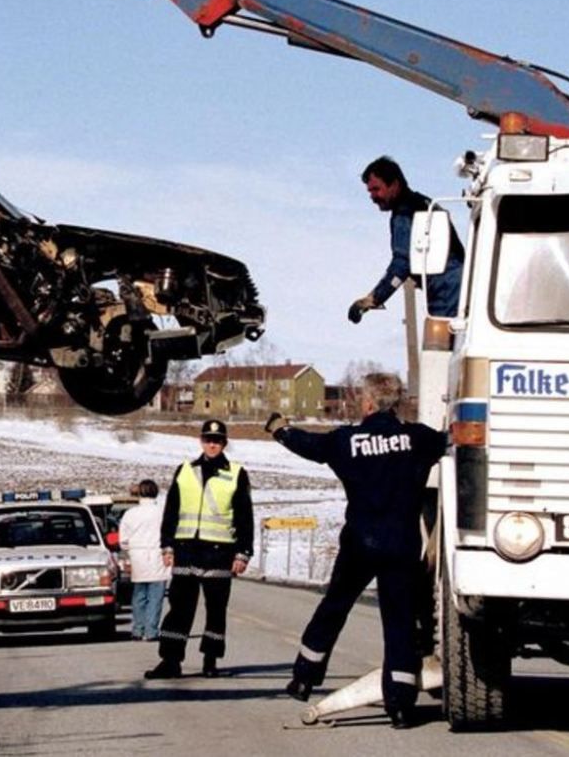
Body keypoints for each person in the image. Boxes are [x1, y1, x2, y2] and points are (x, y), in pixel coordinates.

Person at [265, 372, 446, 729]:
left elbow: (310, 445)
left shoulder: (346, 440)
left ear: (366, 403)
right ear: (397, 403)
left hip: (360, 542)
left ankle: (304, 677)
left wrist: (281, 431)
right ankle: (399, 706)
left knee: (334, 607)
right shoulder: (418, 439)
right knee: (399, 624)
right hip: (401, 544)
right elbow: (454, 441)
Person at [145, 419, 254, 680]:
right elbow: (171, 511)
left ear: (224, 443)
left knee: (216, 610)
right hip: (186, 549)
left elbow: (244, 516)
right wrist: (166, 544)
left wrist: (243, 552)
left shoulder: (236, 473)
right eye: (208, 439)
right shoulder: (185, 470)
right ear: (201, 441)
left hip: (219, 552)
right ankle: (170, 660)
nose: (212, 444)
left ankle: (211, 659)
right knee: (180, 609)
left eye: (217, 440)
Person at [349, 156, 465, 324]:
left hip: (445, 290)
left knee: (441, 345)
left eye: (376, 189)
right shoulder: (424, 203)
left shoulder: (405, 213)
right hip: (459, 286)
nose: (373, 196)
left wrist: (373, 299)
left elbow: (402, 264)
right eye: (370, 191)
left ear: (394, 185)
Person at [120, 478, 168, 642]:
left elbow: (123, 540)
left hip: (137, 556)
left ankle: (137, 629)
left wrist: (129, 553)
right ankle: (152, 630)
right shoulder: (162, 512)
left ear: (139, 493)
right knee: (156, 596)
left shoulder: (130, 514)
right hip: (158, 555)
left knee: (139, 595)